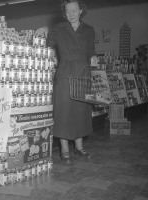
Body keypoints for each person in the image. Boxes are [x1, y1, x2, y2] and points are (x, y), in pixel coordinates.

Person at [35, 0, 97, 164]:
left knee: (81, 112)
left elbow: (91, 49)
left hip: (83, 74)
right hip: (64, 74)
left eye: (74, 11)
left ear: (81, 10)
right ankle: (64, 149)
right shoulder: (58, 28)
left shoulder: (89, 30)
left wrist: (93, 57)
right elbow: (48, 45)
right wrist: (46, 31)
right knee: (63, 113)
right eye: (68, 11)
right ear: (65, 12)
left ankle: (79, 147)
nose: (71, 14)